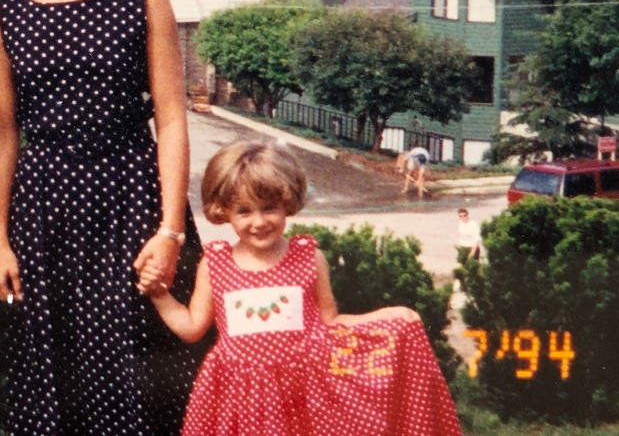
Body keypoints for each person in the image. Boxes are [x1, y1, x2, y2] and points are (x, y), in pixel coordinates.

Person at [0, 0, 206, 435]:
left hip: (132, 200)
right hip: (44, 210)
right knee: (52, 372)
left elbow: (172, 119)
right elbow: (4, 130)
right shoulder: (2, 13)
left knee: (144, 366)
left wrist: (171, 228)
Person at [142, 141, 462, 436]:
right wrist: (160, 294)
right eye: (244, 211)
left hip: (305, 398)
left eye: (269, 207)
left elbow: (330, 321)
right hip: (238, 400)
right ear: (223, 211)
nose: (258, 221)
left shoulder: (308, 257)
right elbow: (192, 327)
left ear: (287, 202)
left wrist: (390, 316)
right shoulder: (215, 265)